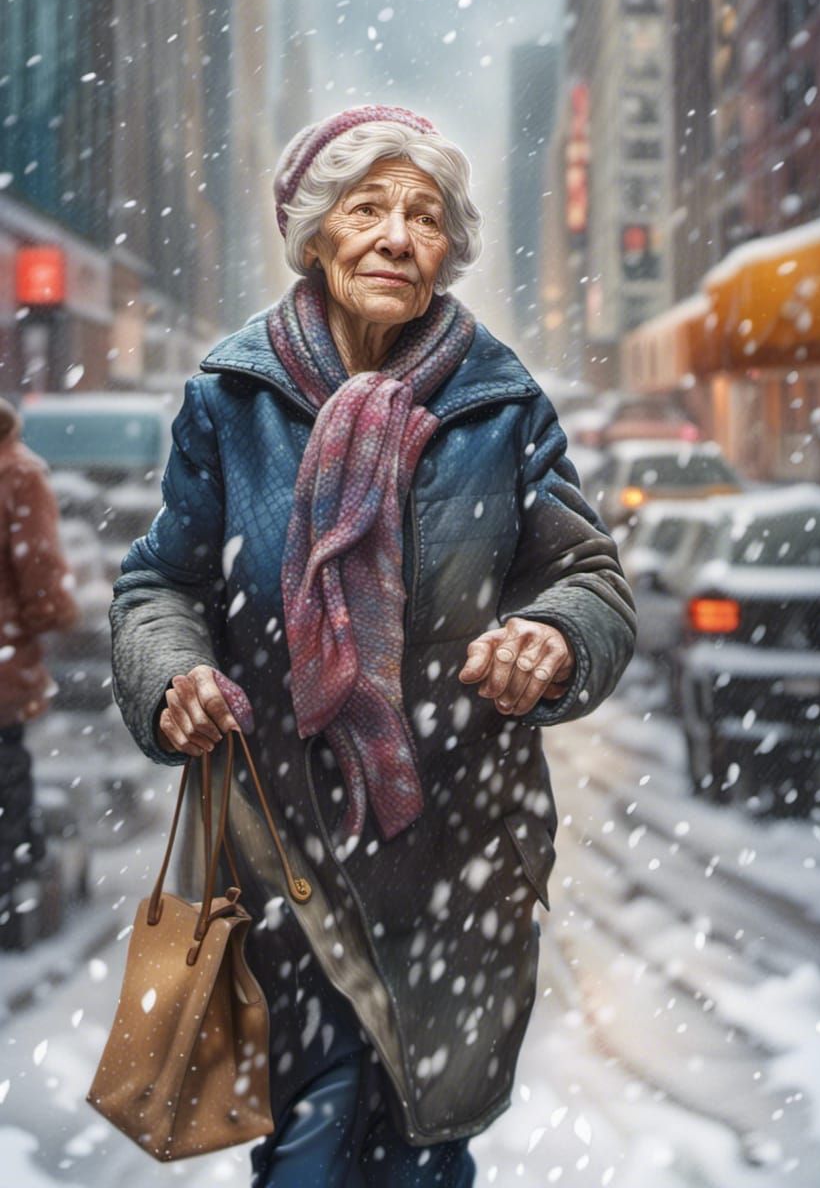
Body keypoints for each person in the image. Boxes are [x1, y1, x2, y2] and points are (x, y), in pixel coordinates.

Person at [110, 105, 636, 1186]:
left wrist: (550, 634)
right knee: (312, 1142)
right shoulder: (232, 399)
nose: (399, 236)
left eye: (426, 215)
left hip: (454, 858)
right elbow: (163, 581)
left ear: (450, 249)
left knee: (426, 1146)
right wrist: (173, 674)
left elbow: (590, 580)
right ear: (315, 233)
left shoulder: (500, 407)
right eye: (369, 208)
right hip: (280, 858)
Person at [0, 397, 79, 947]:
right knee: (7, 777)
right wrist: (55, 616)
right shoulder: (19, 475)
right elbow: (42, 577)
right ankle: (9, 897)